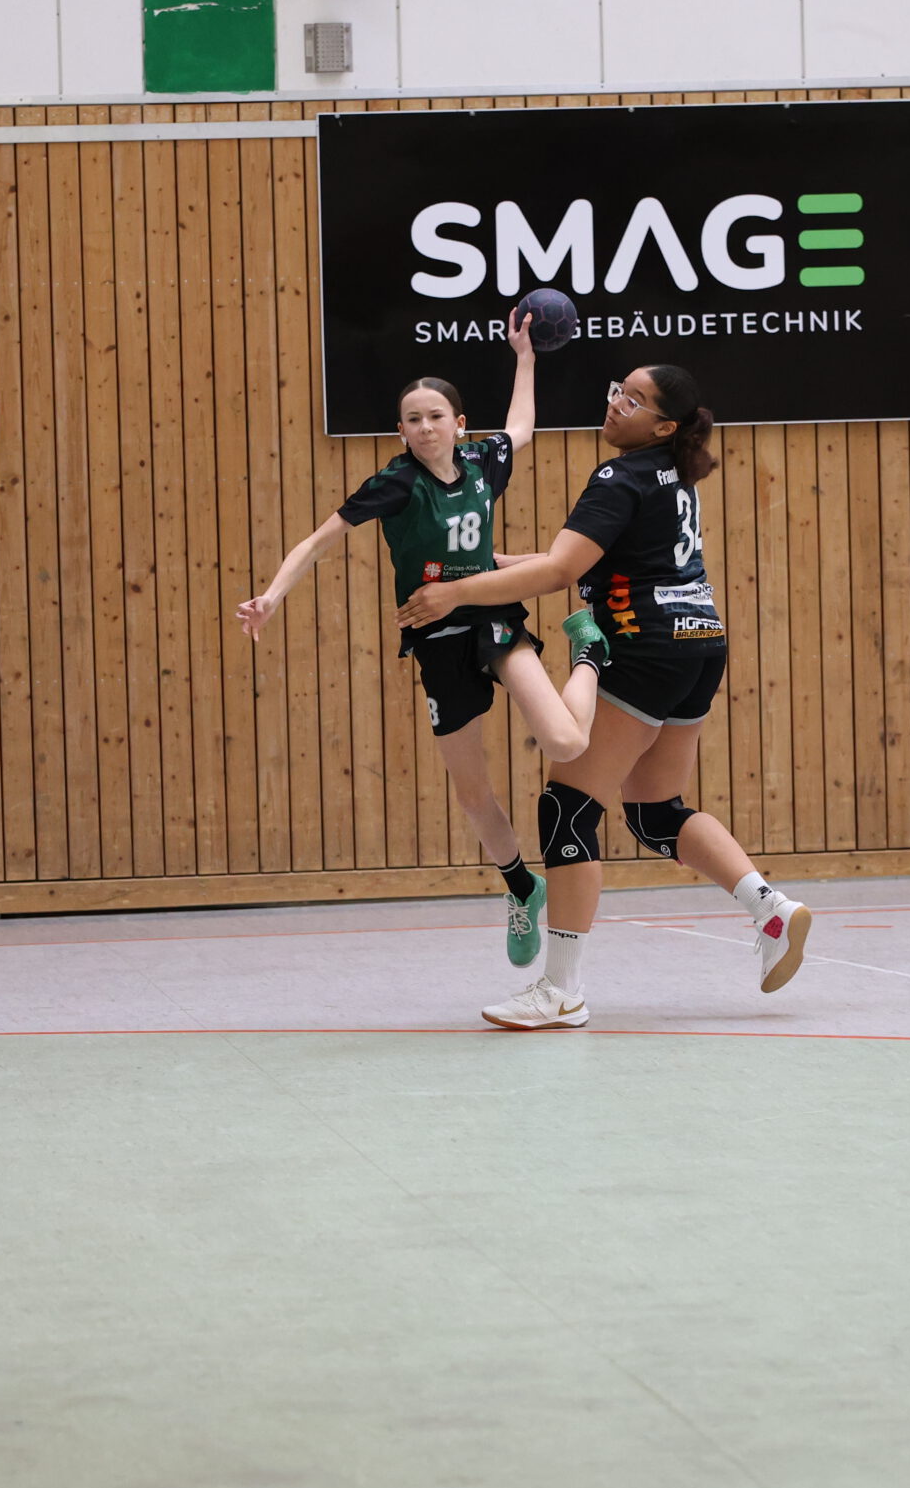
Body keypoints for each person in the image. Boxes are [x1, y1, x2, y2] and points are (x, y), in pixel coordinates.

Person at [397, 364, 812, 1029]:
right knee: (655, 811)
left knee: (567, 807)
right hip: (699, 642)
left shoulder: (620, 476)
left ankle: (561, 991)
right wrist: (488, 566)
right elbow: (589, 561)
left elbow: (562, 570)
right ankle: (772, 910)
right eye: (619, 390)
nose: (617, 403)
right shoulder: (670, 472)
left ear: (664, 425)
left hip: (645, 650)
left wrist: (455, 593)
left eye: (635, 400)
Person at [238, 310, 605, 967]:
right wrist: (271, 595)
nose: (426, 426)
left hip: (492, 617)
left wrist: (525, 357)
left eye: (436, 416)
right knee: (472, 791)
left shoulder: (483, 461)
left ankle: (589, 650)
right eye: (413, 419)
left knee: (564, 741)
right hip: (436, 638)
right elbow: (318, 542)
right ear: (401, 431)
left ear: (459, 424)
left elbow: (521, 427)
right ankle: (521, 885)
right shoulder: (397, 483)